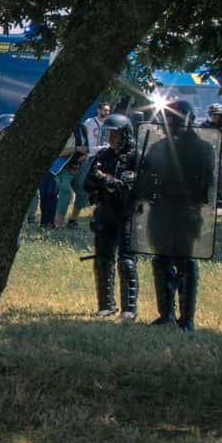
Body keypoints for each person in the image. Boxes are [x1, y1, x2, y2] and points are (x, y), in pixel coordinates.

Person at [139, 98, 215, 331]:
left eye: (175, 118)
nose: (171, 123)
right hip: (161, 210)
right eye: (169, 118)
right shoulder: (158, 147)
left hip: (186, 211)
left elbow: (207, 185)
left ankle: (187, 318)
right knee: (161, 260)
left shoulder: (203, 148)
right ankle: (166, 315)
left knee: (185, 261)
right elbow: (146, 178)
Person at [83, 112, 140, 319]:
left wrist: (106, 180)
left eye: (115, 134)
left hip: (125, 215)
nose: (111, 139)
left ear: (125, 134)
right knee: (102, 260)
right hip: (104, 212)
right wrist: (102, 180)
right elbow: (87, 185)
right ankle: (106, 305)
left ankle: (129, 308)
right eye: (109, 134)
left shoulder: (134, 157)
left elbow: (128, 189)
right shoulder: (102, 156)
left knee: (127, 262)